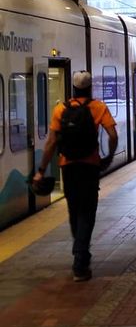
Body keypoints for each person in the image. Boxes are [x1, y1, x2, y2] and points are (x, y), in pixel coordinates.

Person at [33, 70, 118, 281]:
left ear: (73, 88)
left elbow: (51, 143)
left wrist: (41, 171)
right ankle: (80, 259)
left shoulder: (61, 109)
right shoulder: (98, 107)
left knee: (74, 210)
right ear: (90, 88)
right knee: (87, 212)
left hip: (68, 167)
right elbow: (113, 135)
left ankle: (80, 252)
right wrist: (108, 157)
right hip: (89, 167)